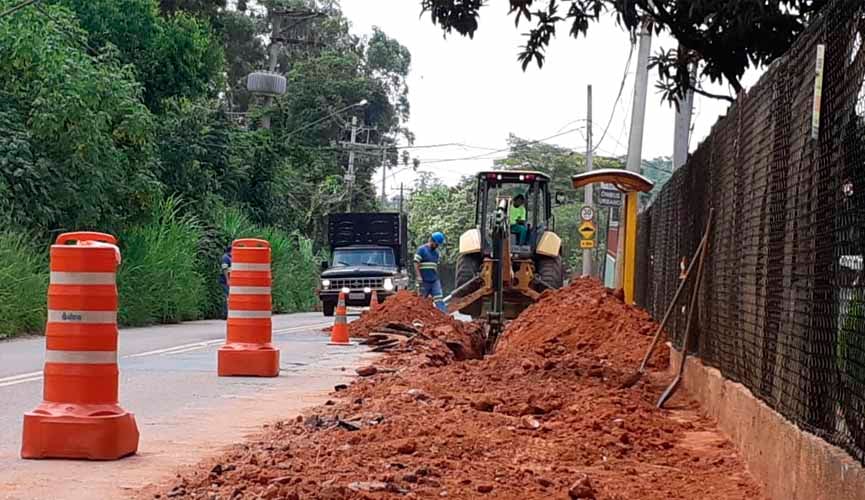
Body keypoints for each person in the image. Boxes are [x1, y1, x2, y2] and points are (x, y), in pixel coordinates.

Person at [414, 232, 447, 312]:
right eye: (436, 244)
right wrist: (418, 276)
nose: (437, 246)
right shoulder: (421, 250)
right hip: (424, 281)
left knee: (439, 299)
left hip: (434, 280)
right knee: (422, 301)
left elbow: (435, 267)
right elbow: (416, 263)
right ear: (431, 241)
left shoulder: (436, 253)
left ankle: (445, 316)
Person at [219, 245, 232, 319]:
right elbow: (225, 269)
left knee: (228, 297)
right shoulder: (225, 258)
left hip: (229, 280)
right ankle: (225, 314)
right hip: (225, 281)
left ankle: (227, 313)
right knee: (227, 297)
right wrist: (227, 280)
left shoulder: (230, 258)